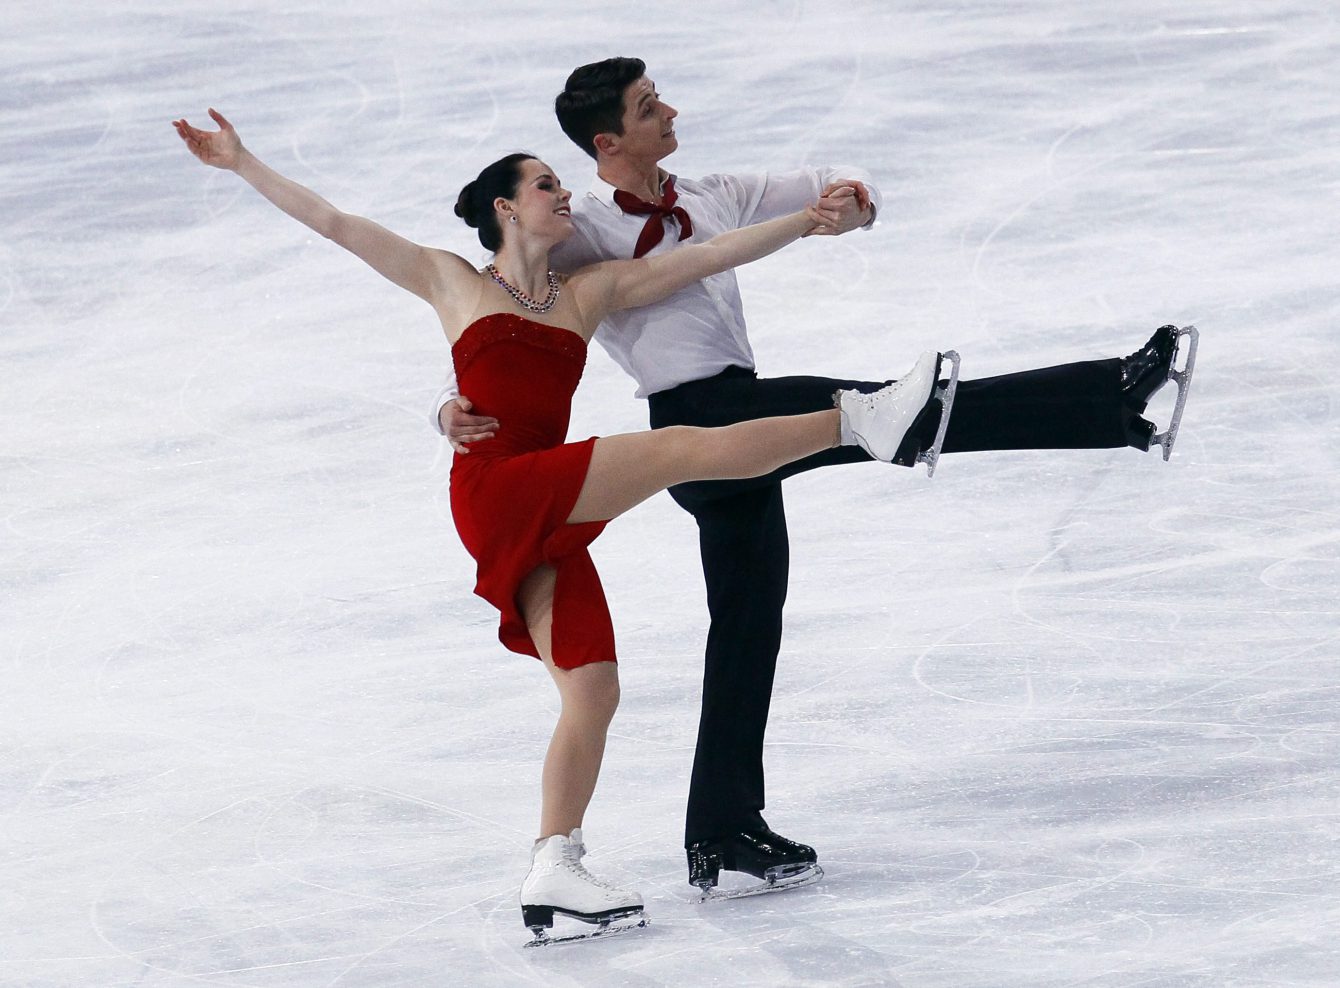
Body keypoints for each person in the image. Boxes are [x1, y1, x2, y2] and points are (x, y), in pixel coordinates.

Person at [172, 109, 951, 939]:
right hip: (498, 488)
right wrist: (244, 161)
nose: (563, 194)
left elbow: (708, 254)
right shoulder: (451, 280)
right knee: (678, 449)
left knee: (593, 687)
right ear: (507, 208)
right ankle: (860, 422)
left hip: (543, 497)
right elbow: (336, 224)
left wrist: (803, 222)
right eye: (546, 184)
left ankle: (555, 868)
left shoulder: (588, 293)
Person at [434, 58, 1196, 896]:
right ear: (607, 140)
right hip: (696, 422)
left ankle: (722, 831)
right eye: (650, 108)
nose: (671, 111)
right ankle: (1107, 395)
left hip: (740, 413)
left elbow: (830, 180)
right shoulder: (577, 229)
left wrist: (850, 205)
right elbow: (503, 308)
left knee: (750, 626)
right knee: (888, 411)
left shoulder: (713, 190)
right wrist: (447, 405)